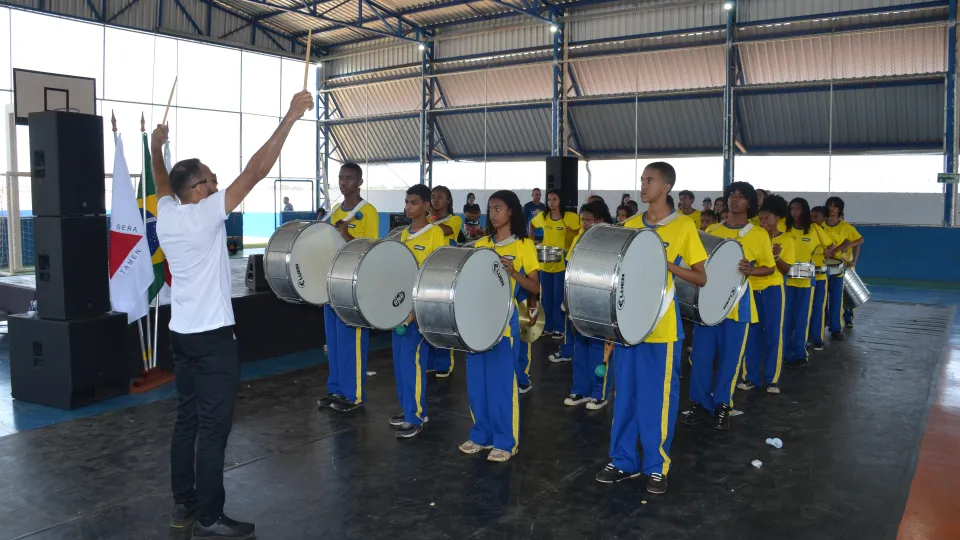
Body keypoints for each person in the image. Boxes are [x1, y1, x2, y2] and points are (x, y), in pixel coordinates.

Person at [155, 90, 313, 539]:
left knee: (186, 422)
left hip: (181, 336)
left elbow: (161, 179)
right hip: (212, 340)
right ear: (197, 191)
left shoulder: (166, 212)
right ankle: (208, 514)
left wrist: (156, 145)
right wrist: (290, 117)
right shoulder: (203, 216)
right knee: (213, 429)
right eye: (208, 179)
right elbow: (257, 171)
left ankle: (183, 506)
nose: (215, 182)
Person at [595, 162, 707, 495]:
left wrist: (668, 265)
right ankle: (622, 460)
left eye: (650, 180)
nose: (643, 186)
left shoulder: (683, 227)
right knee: (624, 395)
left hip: (662, 330)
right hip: (628, 329)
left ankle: (656, 466)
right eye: (642, 180)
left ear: (667, 187)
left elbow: (701, 276)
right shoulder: (629, 225)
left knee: (657, 401)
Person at [681, 181, 775, 431]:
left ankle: (723, 404)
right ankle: (700, 403)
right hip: (707, 303)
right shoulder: (712, 230)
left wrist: (751, 269)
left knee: (730, 360)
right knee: (700, 357)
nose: (734, 200)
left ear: (749, 204)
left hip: (738, 305)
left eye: (741, 196)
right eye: (731, 195)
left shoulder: (758, 234)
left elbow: (770, 267)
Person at [460, 190, 540, 462]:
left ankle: (505, 442)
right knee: (477, 386)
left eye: (497, 209)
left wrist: (514, 272)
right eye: (490, 209)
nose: (492, 214)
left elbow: (534, 287)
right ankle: (480, 435)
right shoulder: (481, 244)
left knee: (502, 387)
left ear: (511, 212)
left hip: (504, 327)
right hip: (475, 324)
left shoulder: (523, 246)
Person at [317, 163, 380, 412]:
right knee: (333, 341)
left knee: (351, 340)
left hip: (354, 285)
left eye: (350, 178)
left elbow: (371, 250)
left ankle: (353, 395)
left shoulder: (368, 211)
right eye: (341, 178)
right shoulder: (335, 210)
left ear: (359, 182)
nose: (344, 183)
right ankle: (336, 389)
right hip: (333, 282)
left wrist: (346, 235)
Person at [390, 184, 448, 439]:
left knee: (413, 362)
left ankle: (417, 415)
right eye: (406, 202)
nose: (408, 207)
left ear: (427, 205)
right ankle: (407, 408)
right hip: (399, 309)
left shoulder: (434, 234)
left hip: (418, 311)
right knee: (401, 363)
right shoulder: (402, 235)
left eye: (414, 202)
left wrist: (416, 308)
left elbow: (435, 273)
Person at [739, 195, 792, 394]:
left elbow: (786, 270)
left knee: (773, 335)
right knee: (751, 334)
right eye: (760, 219)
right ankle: (750, 377)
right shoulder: (753, 235)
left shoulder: (786, 240)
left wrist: (776, 256)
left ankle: (773, 379)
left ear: (777, 218)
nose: (763, 222)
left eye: (767, 218)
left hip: (773, 289)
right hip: (751, 288)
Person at [784, 198, 832, 365]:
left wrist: (821, 254)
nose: (794, 212)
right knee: (786, 316)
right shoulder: (784, 227)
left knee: (802, 317)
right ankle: (783, 350)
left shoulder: (815, 229)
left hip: (805, 281)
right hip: (786, 280)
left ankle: (799, 352)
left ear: (804, 210)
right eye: (792, 209)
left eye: (797, 209)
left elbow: (830, 246)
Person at [529, 189, 581, 338]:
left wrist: (572, 233)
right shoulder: (543, 217)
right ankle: (547, 327)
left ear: (561, 201)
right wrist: (531, 240)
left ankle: (559, 328)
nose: (551, 202)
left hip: (561, 264)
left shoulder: (570, 217)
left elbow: (582, 228)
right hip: (545, 264)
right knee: (546, 297)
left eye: (555, 199)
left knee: (559, 297)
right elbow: (531, 224)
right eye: (549, 199)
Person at [426, 185, 463, 378]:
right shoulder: (427, 221)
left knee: (442, 318)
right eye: (432, 197)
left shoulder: (454, 220)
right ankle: (429, 360)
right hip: (427, 272)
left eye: (440, 197)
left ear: (448, 200)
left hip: (446, 272)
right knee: (427, 316)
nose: (435, 200)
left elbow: (444, 230)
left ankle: (443, 362)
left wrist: (426, 219)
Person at [822, 197, 864, 338]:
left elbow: (860, 240)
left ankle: (836, 327)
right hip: (821, 265)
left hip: (838, 266)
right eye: (829, 206)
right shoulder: (820, 225)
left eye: (835, 206)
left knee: (837, 298)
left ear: (839, 209)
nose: (832, 209)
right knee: (820, 298)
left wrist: (846, 246)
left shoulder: (845, 227)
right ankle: (821, 324)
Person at [808, 205, 832, 350]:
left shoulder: (821, 231)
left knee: (818, 308)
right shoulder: (808, 230)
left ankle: (818, 338)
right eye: (811, 216)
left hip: (820, 276)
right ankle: (805, 336)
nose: (813, 219)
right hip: (805, 276)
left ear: (824, 219)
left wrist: (826, 253)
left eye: (817, 217)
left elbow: (830, 246)